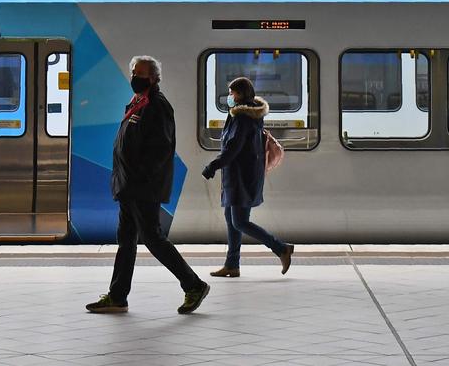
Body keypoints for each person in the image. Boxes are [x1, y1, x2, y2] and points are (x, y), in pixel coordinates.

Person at [86, 56, 210, 315]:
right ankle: (118, 296)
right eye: (133, 71)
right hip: (130, 186)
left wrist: (139, 179)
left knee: (153, 238)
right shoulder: (138, 103)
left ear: (153, 77)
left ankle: (194, 285)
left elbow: (160, 150)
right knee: (127, 240)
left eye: (140, 72)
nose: (135, 75)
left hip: (142, 187)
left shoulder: (157, 106)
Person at [202, 77, 294, 277]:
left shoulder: (243, 118)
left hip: (241, 178)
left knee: (240, 222)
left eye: (232, 93)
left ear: (241, 94)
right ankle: (232, 265)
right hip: (238, 176)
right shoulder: (243, 114)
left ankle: (281, 248)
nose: (229, 97)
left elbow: (233, 149)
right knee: (231, 219)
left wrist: (213, 166)